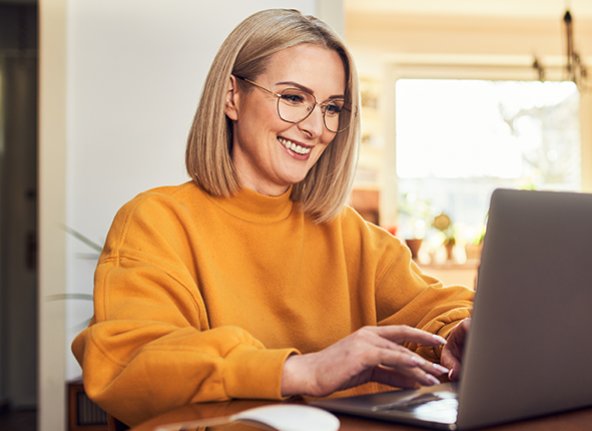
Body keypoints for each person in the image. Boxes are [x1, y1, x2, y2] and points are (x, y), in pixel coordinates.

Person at [71, 9, 474, 426]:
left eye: (332, 107)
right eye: (294, 98)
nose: (316, 127)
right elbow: (129, 361)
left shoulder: (349, 233)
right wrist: (301, 370)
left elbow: (437, 304)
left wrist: (458, 332)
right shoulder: (156, 221)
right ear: (232, 97)